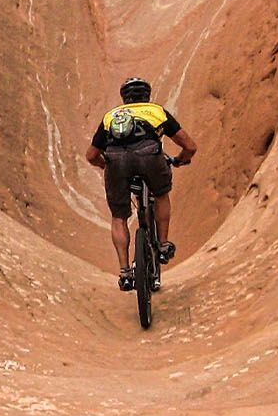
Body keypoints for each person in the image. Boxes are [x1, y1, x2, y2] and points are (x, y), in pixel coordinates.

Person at [84, 77, 197, 291]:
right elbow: (190, 145)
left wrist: (104, 165)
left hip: (116, 163)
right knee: (161, 194)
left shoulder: (111, 117)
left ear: (124, 98)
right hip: (150, 158)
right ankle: (163, 245)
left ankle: (125, 272)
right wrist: (181, 159)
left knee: (119, 217)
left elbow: (91, 155)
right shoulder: (156, 111)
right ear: (147, 95)